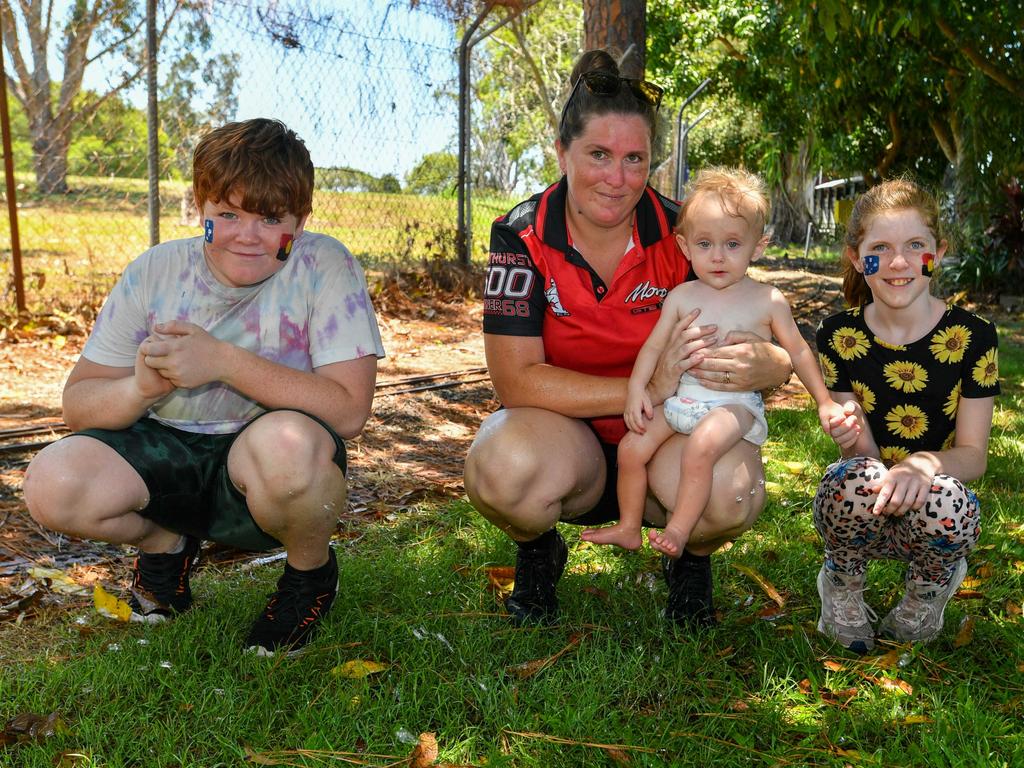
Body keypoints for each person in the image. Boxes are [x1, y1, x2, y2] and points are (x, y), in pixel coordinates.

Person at [22, 118, 385, 657]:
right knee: (53, 480)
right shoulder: (156, 271)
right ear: (201, 207)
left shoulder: (324, 265)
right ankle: (166, 548)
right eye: (228, 214)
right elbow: (79, 406)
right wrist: (141, 388)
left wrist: (222, 361)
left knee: (288, 449)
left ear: (300, 221)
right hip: (169, 447)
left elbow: (350, 410)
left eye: (270, 218)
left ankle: (309, 576)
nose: (247, 235)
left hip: (265, 459)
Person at [463, 49, 794, 629]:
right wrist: (648, 383)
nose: (617, 180)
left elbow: (765, 324)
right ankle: (539, 549)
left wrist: (774, 364)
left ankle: (689, 556)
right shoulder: (519, 234)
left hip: (674, 435)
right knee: (499, 467)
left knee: (730, 493)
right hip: (568, 443)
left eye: (634, 159)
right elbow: (515, 381)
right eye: (598, 155)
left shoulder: (685, 235)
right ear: (562, 152)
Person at [581, 168, 848, 557]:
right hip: (681, 401)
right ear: (685, 247)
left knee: (702, 447)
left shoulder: (767, 299)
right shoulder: (681, 297)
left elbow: (799, 351)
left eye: (733, 244)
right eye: (705, 244)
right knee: (630, 450)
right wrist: (637, 389)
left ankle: (679, 530)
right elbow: (653, 350)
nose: (718, 256)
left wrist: (824, 401)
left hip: (733, 406)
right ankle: (628, 526)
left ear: (758, 247)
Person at [813, 179, 999, 653]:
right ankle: (842, 585)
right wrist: (847, 432)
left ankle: (926, 592)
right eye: (881, 248)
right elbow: (863, 458)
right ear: (858, 258)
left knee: (948, 499)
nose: (899, 263)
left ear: (939, 251)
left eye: (916, 245)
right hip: (867, 505)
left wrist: (924, 463)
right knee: (850, 477)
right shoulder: (838, 335)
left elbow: (974, 456)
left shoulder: (973, 336)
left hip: (932, 515)